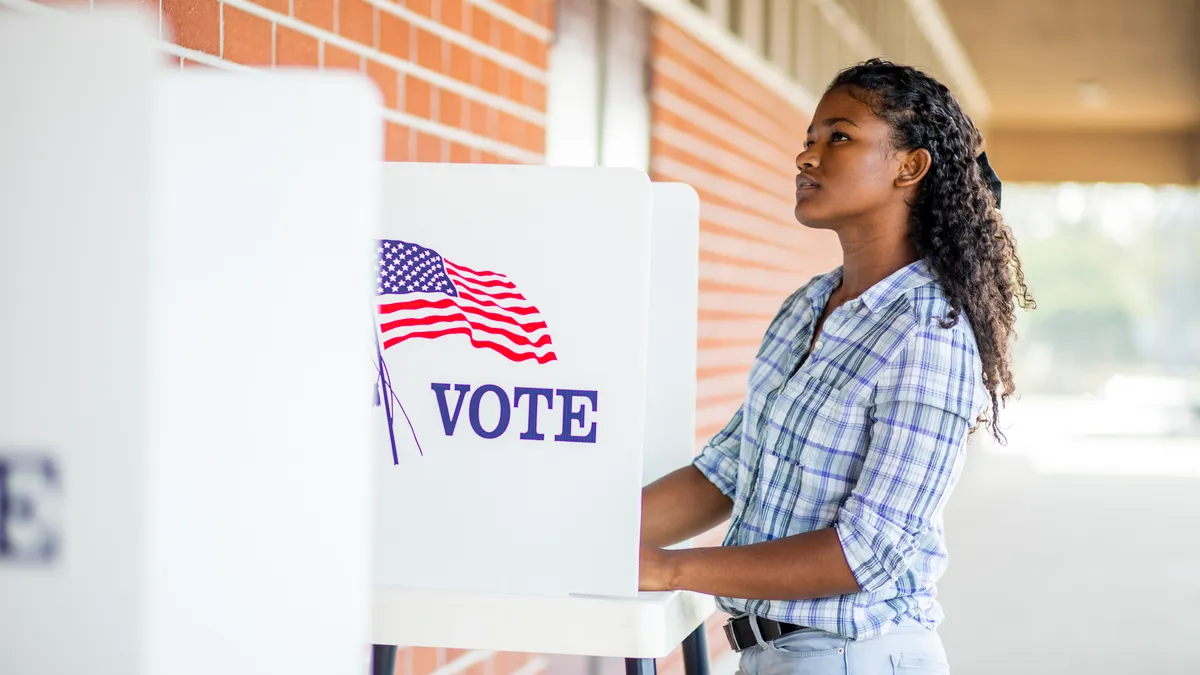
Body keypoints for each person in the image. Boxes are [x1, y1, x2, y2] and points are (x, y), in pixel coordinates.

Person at [637, 58, 1035, 674]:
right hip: (767, 654)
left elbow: (864, 552)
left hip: (857, 657)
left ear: (911, 166)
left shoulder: (930, 330)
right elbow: (724, 473)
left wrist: (669, 568)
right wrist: (590, 534)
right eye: (809, 139)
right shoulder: (806, 307)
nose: (807, 157)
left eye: (840, 137)